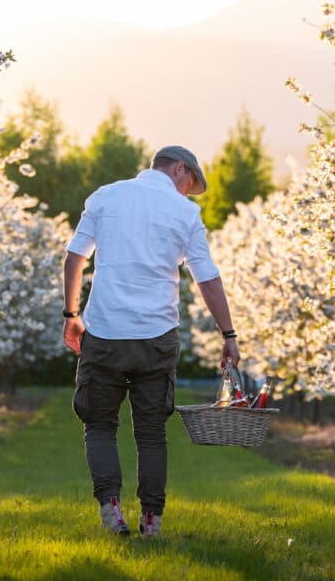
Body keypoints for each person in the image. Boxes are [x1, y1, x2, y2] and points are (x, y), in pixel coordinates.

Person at [62, 145, 241, 538]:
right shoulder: (186, 213)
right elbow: (206, 276)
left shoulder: (105, 197)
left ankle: (111, 509)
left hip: (106, 332)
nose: (187, 194)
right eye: (189, 184)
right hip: (156, 337)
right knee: (150, 432)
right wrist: (227, 334)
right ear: (180, 169)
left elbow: (75, 257)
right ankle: (151, 521)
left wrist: (72, 315)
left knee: (100, 425)